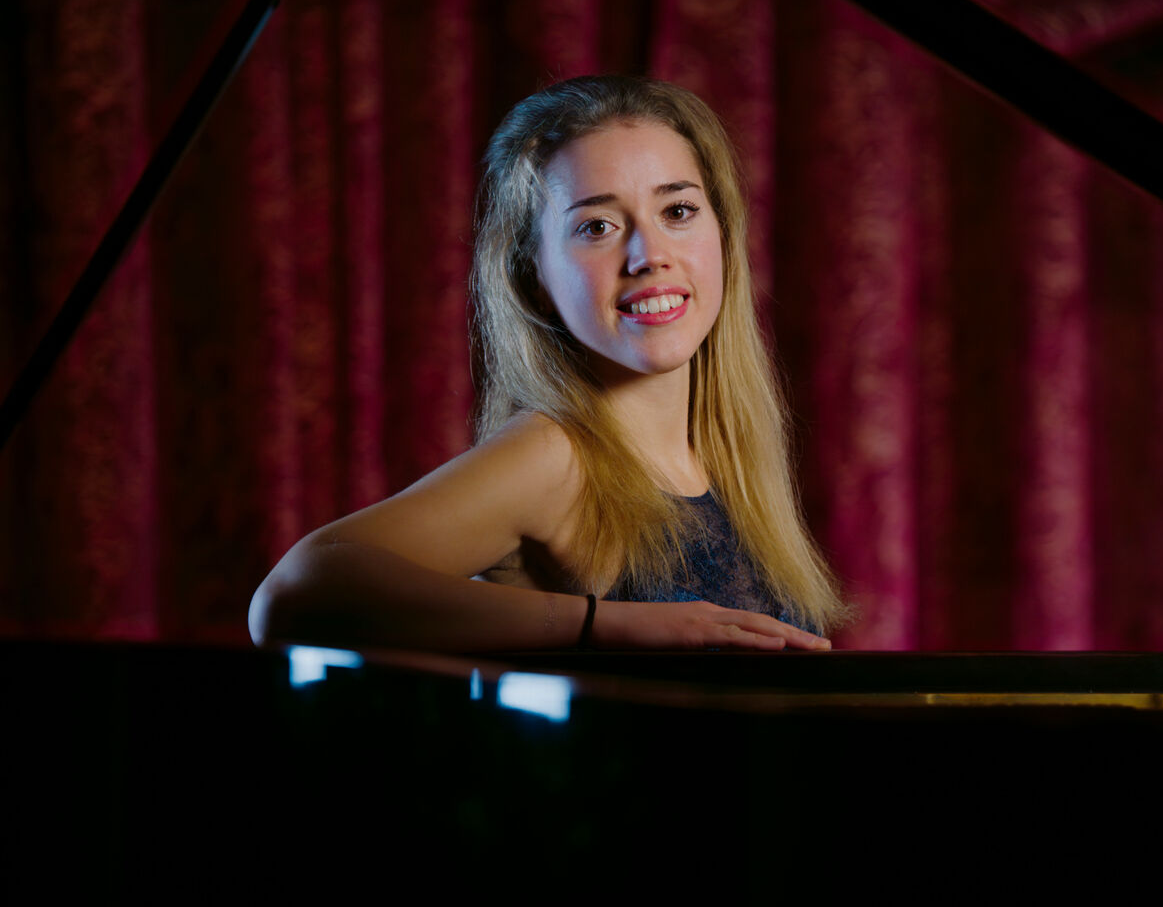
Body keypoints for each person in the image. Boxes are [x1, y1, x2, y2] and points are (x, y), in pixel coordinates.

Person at [249, 75, 847, 652]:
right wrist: (609, 626)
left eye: (678, 211)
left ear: (722, 233)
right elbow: (290, 596)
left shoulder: (725, 459)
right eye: (597, 226)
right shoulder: (558, 456)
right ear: (534, 277)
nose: (650, 255)